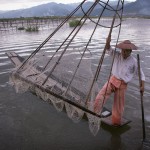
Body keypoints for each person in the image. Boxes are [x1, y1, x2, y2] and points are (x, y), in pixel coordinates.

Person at [94, 37, 145, 125]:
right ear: (121, 50)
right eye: (123, 50)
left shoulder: (134, 61)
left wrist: (142, 86)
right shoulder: (117, 55)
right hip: (112, 80)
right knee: (100, 97)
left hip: (122, 85)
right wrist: (107, 42)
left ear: (130, 51)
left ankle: (116, 122)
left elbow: (142, 75)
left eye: (126, 51)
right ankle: (94, 114)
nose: (124, 53)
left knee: (118, 108)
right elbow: (108, 48)